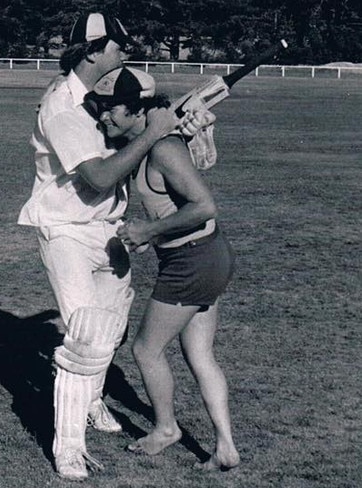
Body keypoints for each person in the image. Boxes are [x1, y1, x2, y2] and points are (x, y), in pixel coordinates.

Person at [17, 12, 212, 480]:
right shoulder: (64, 107)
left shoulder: (102, 98)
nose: (124, 51)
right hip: (66, 229)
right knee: (85, 335)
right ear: (90, 51)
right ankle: (68, 448)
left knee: (112, 330)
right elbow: (101, 174)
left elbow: (128, 145)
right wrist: (154, 132)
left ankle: (89, 401)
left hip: (107, 227)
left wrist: (175, 128)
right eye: (116, 45)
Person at [87, 66, 240, 471]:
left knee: (145, 349)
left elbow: (204, 206)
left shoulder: (163, 149)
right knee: (199, 355)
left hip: (192, 260)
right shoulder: (151, 141)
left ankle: (165, 428)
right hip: (203, 256)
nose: (103, 117)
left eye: (110, 109)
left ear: (137, 111)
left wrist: (147, 231)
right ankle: (225, 447)